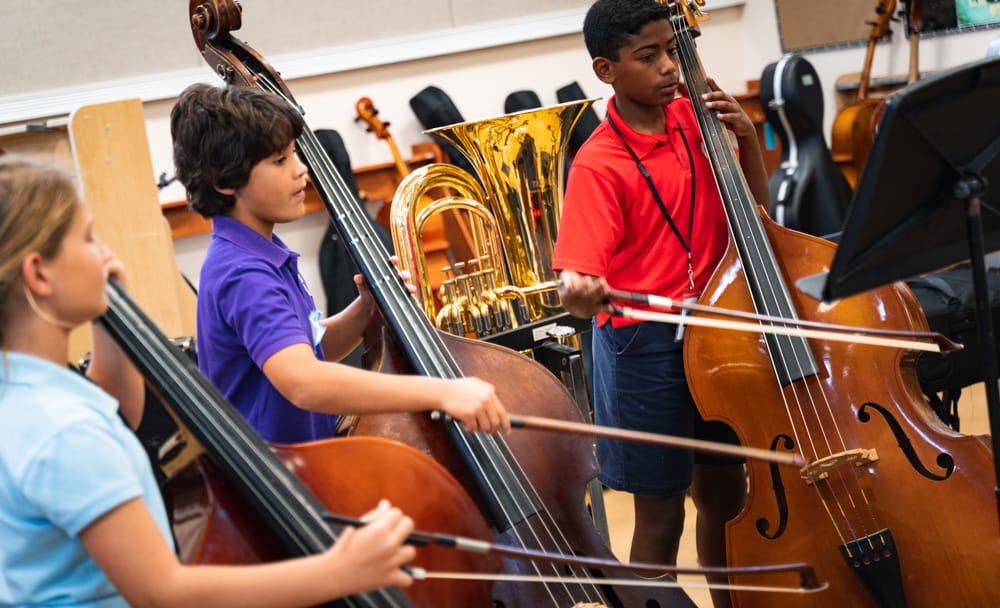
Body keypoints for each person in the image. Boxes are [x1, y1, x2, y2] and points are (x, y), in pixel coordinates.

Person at [0, 156, 418, 607]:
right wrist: (339, 570)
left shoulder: (16, 389)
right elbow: (165, 592)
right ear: (39, 276)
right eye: (88, 238)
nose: (106, 253)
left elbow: (118, 410)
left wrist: (112, 320)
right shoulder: (60, 430)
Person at [552, 1, 770, 607]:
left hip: (718, 332)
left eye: (671, 51)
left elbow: (757, 220)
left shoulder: (696, 118)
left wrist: (747, 140)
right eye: (648, 57)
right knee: (659, 518)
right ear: (606, 69)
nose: (670, 67)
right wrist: (578, 289)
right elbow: (578, 282)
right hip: (644, 347)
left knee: (726, 498)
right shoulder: (599, 163)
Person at [169, 83, 509, 445]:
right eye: (280, 160)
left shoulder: (258, 251)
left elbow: (305, 350)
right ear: (225, 181)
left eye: (295, 155)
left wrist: (364, 311)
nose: (302, 171)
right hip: (285, 482)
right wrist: (440, 392)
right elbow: (303, 381)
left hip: (310, 463)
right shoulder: (244, 273)